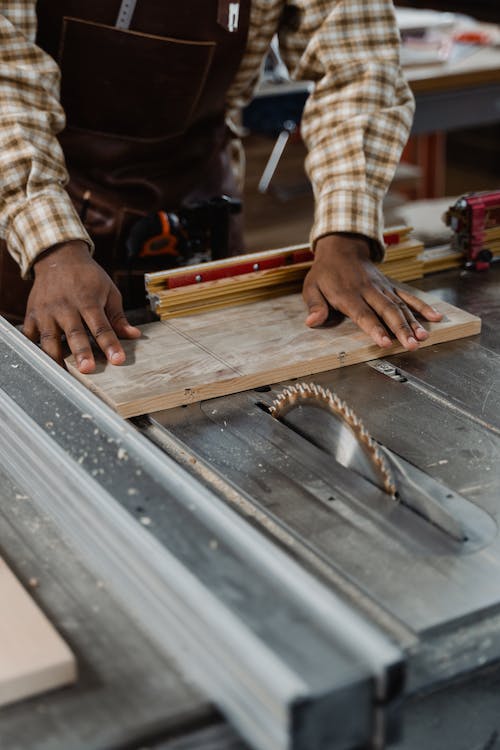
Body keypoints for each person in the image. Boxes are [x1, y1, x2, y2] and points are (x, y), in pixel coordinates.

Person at [0, 0, 442, 374]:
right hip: (30, 219)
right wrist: (52, 249)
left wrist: (346, 236)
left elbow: (359, 71)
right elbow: (7, 89)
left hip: (196, 206)